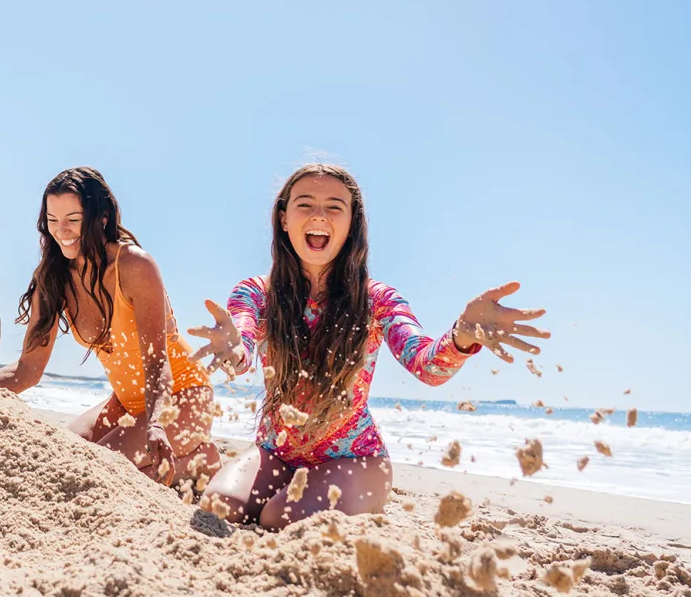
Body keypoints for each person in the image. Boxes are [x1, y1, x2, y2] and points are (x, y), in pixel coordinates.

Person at [189, 164, 549, 528]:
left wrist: (462, 336)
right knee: (219, 506)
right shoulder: (255, 293)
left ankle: (338, 496)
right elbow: (242, 345)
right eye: (305, 204)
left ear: (351, 224)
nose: (319, 215)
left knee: (282, 517)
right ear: (284, 219)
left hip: (355, 461)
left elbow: (426, 365)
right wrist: (233, 350)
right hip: (276, 454)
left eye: (334, 206)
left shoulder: (378, 301)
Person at [0, 167, 220, 485]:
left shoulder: (134, 266)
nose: (63, 230)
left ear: (101, 217)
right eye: (53, 220)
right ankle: (184, 459)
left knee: (101, 474)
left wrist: (156, 422)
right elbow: (28, 369)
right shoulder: (52, 277)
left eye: (73, 218)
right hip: (126, 402)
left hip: (182, 398)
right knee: (58, 458)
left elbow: (156, 360)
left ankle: (202, 459)